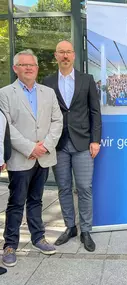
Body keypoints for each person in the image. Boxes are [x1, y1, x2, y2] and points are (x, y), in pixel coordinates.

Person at [0, 49, 63, 267]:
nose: (29, 68)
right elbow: (6, 127)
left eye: (32, 65)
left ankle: (38, 238)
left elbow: (57, 121)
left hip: (43, 156)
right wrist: (29, 148)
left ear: (37, 68)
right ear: (15, 68)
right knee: (16, 202)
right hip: (21, 157)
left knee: (36, 199)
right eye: (24, 65)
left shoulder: (48, 92)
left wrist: (44, 146)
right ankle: (10, 245)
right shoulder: (5, 93)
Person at [42, 41, 102, 252]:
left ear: (74, 55)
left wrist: (96, 140)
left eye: (68, 52)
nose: (65, 55)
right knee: (64, 188)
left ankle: (86, 230)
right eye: (61, 52)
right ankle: (70, 227)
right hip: (58, 144)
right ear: (56, 56)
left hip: (83, 142)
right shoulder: (47, 82)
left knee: (85, 188)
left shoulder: (87, 80)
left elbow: (95, 111)